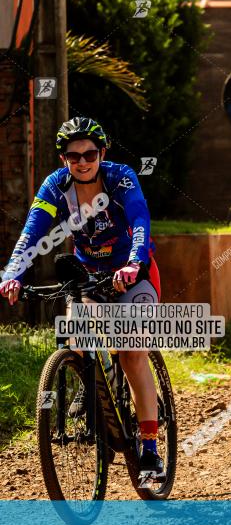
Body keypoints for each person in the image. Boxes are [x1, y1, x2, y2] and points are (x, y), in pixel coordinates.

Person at [0, 117, 165, 478]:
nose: (82, 161)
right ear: (64, 160)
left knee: (132, 353)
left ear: (101, 153)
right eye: (73, 156)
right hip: (89, 273)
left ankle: (150, 448)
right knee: (76, 341)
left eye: (90, 153)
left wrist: (134, 263)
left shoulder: (120, 177)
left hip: (132, 273)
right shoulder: (55, 187)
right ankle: (86, 382)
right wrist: (14, 273)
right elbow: (32, 233)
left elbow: (139, 220)